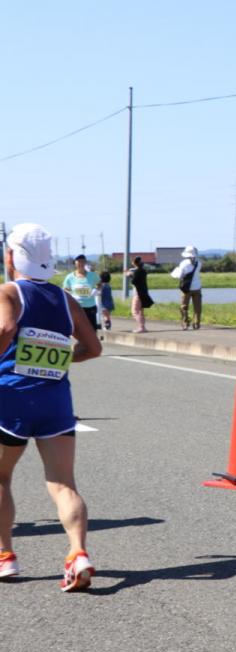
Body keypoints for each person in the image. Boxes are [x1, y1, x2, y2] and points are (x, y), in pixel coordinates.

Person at [0, 223, 103, 590]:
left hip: (9, 400)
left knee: (1, 477)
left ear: (11, 256)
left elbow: (5, 328)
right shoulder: (65, 298)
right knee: (63, 483)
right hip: (56, 401)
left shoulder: (9, 292)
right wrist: (58, 360)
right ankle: (78, 553)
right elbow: (93, 348)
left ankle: (5, 556)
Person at [62, 255, 100, 332]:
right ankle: (80, 343)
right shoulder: (70, 277)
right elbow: (65, 289)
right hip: (76, 307)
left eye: (82, 261)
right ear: (75, 263)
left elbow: (100, 283)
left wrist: (96, 289)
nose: (81, 264)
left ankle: (91, 343)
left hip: (90, 306)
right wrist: (70, 295)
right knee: (78, 331)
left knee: (92, 330)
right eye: (78, 262)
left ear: (85, 263)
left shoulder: (92, 275)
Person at [124, 255, 155, 332]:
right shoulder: (143, 271)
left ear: (135, 263)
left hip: (138, 293)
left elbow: (134, 281)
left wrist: (130, 275)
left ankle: (141, 327)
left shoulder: (137, 271)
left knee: (134, 311)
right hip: (143, 292)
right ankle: (143, 327)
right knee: (141, 311)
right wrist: (131, 274)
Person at [177, 245, 203, 330]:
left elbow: (180, 275)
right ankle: (196, 323)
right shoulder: (199, 263)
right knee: (197, 307)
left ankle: (185, 323)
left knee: (184, 306)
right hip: (197, 287)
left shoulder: (183, 263)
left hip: (186, 288)